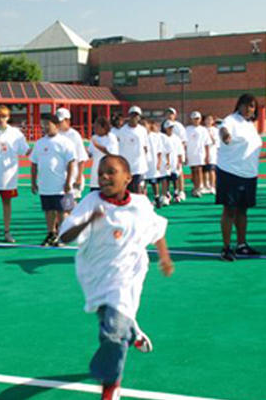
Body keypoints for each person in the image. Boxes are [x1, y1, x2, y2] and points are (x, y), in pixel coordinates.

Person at [58, 155, 173, 400]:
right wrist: (88, 220)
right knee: (114, 325)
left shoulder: (141, 204)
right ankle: (131, 333)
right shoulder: (91, 202)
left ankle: (110, 384)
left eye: (111, 172)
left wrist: (164, 257)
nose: (104, 177)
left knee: (112, 332)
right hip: (96, 275)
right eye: (101, 173)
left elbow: (157, 229)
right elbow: (65, 236)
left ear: (128, 178)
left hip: (128, 275)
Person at [216, 94, 266, 261]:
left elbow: (251, 152)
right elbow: (223, 129)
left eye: (253, 106)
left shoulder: (250, 125)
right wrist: (225, 136)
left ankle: (241, 245)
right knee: (229, 210)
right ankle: (226, 248)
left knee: (243, 210)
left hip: (249, 174)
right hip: (230, 172)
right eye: (246, 105)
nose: (249, 109)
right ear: (239, 105)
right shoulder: (231, 120)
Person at [0, 105, 30, 245]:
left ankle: (7, 232)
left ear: (8, 117)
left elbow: (26, 150)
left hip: (9, 175)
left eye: (4, 116)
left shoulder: (16, 133)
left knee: (7, 203)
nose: (1, 119)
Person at [31, 114, 75, 246]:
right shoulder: (39, 143)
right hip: (45, 184)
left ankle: (62, 235)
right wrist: (33, 182)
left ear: (56, 125)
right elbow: (34, 163)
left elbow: (71, 163)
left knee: (62, 211)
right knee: (48, 210)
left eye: (47, 125)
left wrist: (68, 182)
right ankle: (51, 233)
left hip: (60, 184)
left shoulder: (65, 142)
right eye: (43, 125)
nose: (45, 127)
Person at [56, 107, 90, 199]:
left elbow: (81, 158)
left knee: (71, 203)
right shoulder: (56, 134)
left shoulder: (74, 135)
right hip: (59, 173)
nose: (58, 124)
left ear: (67, 120)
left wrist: (79, 177)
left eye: (60, 121)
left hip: (73, 174)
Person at [116, 106, 149, 194]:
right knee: (127, 190)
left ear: (139, 117)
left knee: (139, 189)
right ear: (129, 116)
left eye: (136, 115)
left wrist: (145, 159)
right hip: (127, 165)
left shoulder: (142, 130)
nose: (134, 117)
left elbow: (145, 147)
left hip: (139, 166)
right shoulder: (122, 131)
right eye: (132, 115)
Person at [185, 111, 212, 198]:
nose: (196, 120)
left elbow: (207, 144)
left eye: (197, 118)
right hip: (191, 154)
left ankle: (198, 188)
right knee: (193, 171)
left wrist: (207, 156)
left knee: (199, 170)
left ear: (200, 119)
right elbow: (185, 143)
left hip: (200, 154)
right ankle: (195, 187)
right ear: (191, 119)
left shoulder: (203, 130)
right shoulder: (187, 129)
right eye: (194, 119)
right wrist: (185, 155)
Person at [89, 116, 119, 192]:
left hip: (107, 172)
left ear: (104, 128)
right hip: (95, 173)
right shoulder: (94, 137)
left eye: (97, 127)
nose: (94, 129)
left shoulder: (111, 137)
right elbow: (90, 153)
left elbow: (111, 153)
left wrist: (97, 145)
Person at [164, 107, 188, 201]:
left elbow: (183, 141)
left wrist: (181, 157)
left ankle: (181, 191)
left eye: (171, 113)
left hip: (176, 154)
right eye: (168, 113)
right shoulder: (163, 125)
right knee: (166, 176)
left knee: (179, 173)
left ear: (175, 115)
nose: (169, 115)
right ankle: (167, 194)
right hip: (167, 158)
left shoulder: (179, 126)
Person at [161, 121, 185, 203]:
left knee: (175, 178)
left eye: (171, 127)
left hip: (175, 162)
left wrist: (179, 162)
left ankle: (176, 193)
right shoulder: (162, 138)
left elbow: (180, 151)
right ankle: (167, 194)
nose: (170, 129)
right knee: (166, 179)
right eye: (169, 128)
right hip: (165, 162)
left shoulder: (176, 138)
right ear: (165, 128)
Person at [143, 118, 164, 208]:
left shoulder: (155, 136)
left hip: (153, 163)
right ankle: (145, 200)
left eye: (145, 125)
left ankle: (156, 198)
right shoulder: (140, 136)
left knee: (154, 182)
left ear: (149, 125)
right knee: (143, 183)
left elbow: (159, 151)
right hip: (143, 163)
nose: (144, 127)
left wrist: (159, 162)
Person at [203, 114, 219, 194]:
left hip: (212, 153)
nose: (208, 121)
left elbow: (215, 142)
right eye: (207, 119)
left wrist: (210, 135)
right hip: (203, 153)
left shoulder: (215, 130)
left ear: (213, 121)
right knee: (204, 170)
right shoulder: (202, 129)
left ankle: (213, 186)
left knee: (212, 170)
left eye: (210, 119)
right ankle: (206, 186)